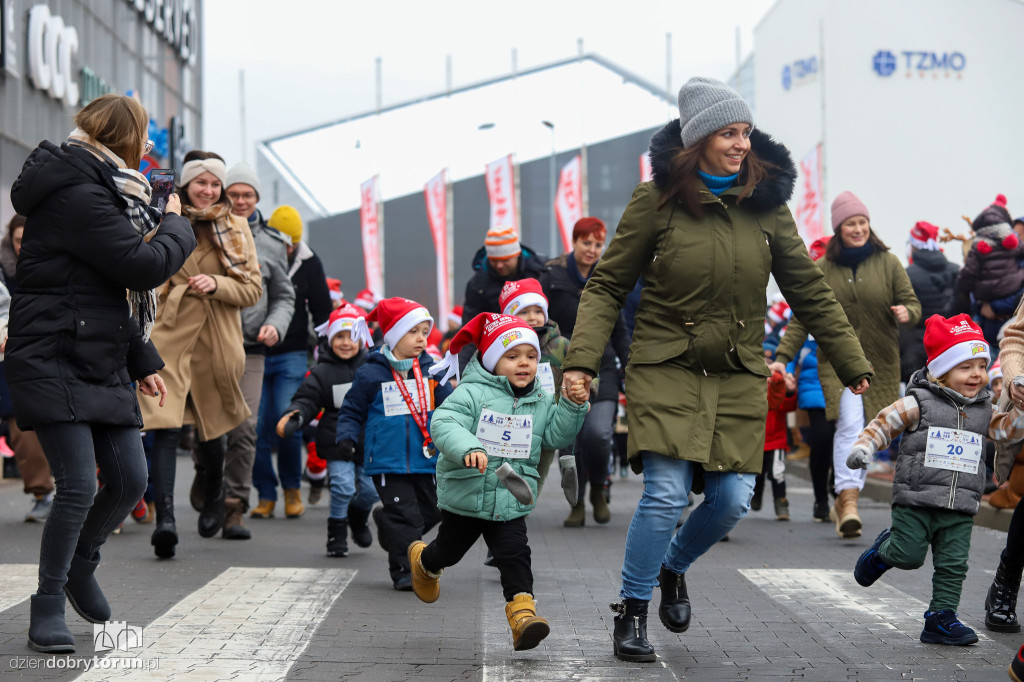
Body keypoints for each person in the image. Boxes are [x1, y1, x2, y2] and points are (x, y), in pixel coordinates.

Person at [560, 77, 871, 662]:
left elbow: (809, 290)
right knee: (665, 492)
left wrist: (851, 360)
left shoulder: (768, 209)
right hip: (665, 365)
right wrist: (580, 361)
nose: (740, 143)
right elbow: (606, 285)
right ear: (699, 138)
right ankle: (631, 609)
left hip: (735, 373)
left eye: (746, 132)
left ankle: (672, 567)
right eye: (729, 132)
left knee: (730, 499)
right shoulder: (654, 202)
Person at [8, 94, 196, 652]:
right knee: (78, 485)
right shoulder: (80, 194)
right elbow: (143, 265)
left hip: (98, 354)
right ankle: (46, 605)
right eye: (145, 139)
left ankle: (80, 565)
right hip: (52, 355)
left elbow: (101, 292)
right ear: (124, 138)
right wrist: (176, 225)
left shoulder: (101, 188)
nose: (150, 151)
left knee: (130, 481)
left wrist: (142, 362)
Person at [408, 312, 588, 651]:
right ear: (492, 360)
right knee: (450, 550)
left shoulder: (539, 400)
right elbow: (444, 423)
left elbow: (555, 435)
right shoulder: (472, 392)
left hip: (510, 495)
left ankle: (523, 617)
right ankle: (425, 563)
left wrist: (572, 406)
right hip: (467, 493)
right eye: (512, 356)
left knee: (514, 553)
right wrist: (469, 447)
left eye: (531, 357)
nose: (524, 364)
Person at [848, 314, 1024, 646]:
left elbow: (1008, 431)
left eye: (981, 366)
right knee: (908, 555)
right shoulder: (920, 401)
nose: (977, 375)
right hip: (916, 499)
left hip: (961, 504)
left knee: (953, 565)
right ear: (941, 370)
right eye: (965, 367)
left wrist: (1022, 411)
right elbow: (885, 423)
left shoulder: (985, 410)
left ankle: (940, 619)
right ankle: (882, 553)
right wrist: (864, 447)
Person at [774, 190, 921, 539]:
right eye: (850, 223)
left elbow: (912, 304)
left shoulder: (888, 263)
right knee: (851, 426)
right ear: (838, 229)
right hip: (837, 365)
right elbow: (801, 319)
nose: (857, 229)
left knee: (872, 432)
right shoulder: (822, 268)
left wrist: (906, 312)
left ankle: (845, 497)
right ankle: (848, 497)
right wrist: (781, 358)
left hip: (881, 363)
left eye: (862, 222)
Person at [141, 150, 263, 559]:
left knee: (214, 429)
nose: (208, 190)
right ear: (186, 186)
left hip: (216, 338)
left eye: (215, 183)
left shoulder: (236, 225)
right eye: (201, 183)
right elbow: (142, 270)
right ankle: (166, 521)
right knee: (163, 425)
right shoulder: (162, 218)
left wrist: (218, 283)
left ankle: (214, 492)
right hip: (169, 335)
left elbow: (252, 289)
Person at [183, 162, 295, 541]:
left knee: (245, 426)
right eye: (235, 194)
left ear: (258, 198)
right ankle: (209, 477)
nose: (241, 200)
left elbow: (283, 295)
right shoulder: (204, 227)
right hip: (206, 343)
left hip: (250, 348)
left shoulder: (273, 243)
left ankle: (234, 508)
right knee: (206, 426)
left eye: (248, 194)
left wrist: (275, 324)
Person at [336, 297, 453, 590]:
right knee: (406, 518)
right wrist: (347, 437)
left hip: (426, 458)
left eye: (425, 332)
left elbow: (452, 408)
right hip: (386, 461)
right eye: (413, 332)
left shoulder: (432, 371)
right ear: (393, 335)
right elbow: (351, 410)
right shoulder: (370, 372)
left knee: (432, 511)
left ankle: (387, 524)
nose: (421, 339)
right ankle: (403, 570)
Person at [542, 217, 630, 527]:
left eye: (597, 244)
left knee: (598, 434)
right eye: (586, 242)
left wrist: (629, 365)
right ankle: (576, 503)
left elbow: (619, 330)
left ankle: (597, 490)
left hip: (604, 368)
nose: (592, 250)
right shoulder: (551, 276)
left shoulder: (607, 277)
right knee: (571, 440)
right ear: (575, 242)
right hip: (565, 370)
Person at [276, 304, 378, 557]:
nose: (346, 343)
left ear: (362, 338)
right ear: (329, 339)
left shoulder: (374, 368)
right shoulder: (322, 372)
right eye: (339, 337)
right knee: (342, 486)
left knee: (371, 490)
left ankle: (357, 517)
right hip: (336, 439)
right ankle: (337, 532)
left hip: (371, 441)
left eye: (352, 337)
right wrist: (296, 415)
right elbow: (307, 399)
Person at [251, 206, 332, 519]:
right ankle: (266, 494)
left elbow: (323, 308)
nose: (285, 250)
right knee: (255, 426)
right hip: (255, 350)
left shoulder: (309, 262)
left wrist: (327, 350)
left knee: (288, 418)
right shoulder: (257, 250)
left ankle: (291, 489)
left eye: (291, 244)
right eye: (281, 242)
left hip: (293, 351)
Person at [498, 278, 575, 496]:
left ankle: (528, 502)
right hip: (514, 420)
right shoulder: (502, 346)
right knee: (512, 464)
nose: (533, 317)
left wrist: (583, 392)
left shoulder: (560, 344)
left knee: (540, 468)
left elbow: (581, 367)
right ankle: (508, 504)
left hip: (548, 418)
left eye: (538, 311)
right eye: (524, 311)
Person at [0, 214, 54, 522]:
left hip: (49, 351)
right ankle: (41, 492)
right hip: (10, 356)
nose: (23, 247)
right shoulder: (3, 269)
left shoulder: (53, 263)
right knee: (20, 426)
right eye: (18, 241)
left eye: (27, 240)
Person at [458, 226, 547, 369]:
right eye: (494, 260)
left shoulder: (543, 271)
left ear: (517, 254)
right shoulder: (478, 285)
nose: (499, 265)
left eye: (505, 260)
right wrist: (459, 370)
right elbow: (471, 330)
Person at [957, 195, 1024, 350]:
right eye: (1016, 233)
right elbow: (974, 285)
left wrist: (994, 307)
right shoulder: (1004, 252)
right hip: (986, 332)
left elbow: (1020, 298)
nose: (1018, 238)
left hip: (1012, 336)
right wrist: (981, 306)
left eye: (1022, 235)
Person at [899, 221, 960, 385]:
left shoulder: (906, 275)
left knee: (917, 403)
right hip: (953, 347)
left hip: (916, 351)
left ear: (913, 246)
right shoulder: (956, 270)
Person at [753, 343, 797, 521]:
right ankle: (755, 496)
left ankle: (781, 504)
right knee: (756, 472)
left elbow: (788, 406)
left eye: (769, 363)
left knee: (777, 472)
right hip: (756, 439)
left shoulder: (778, 383)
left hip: (776, 439)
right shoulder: (753, 385)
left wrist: (790, 390)